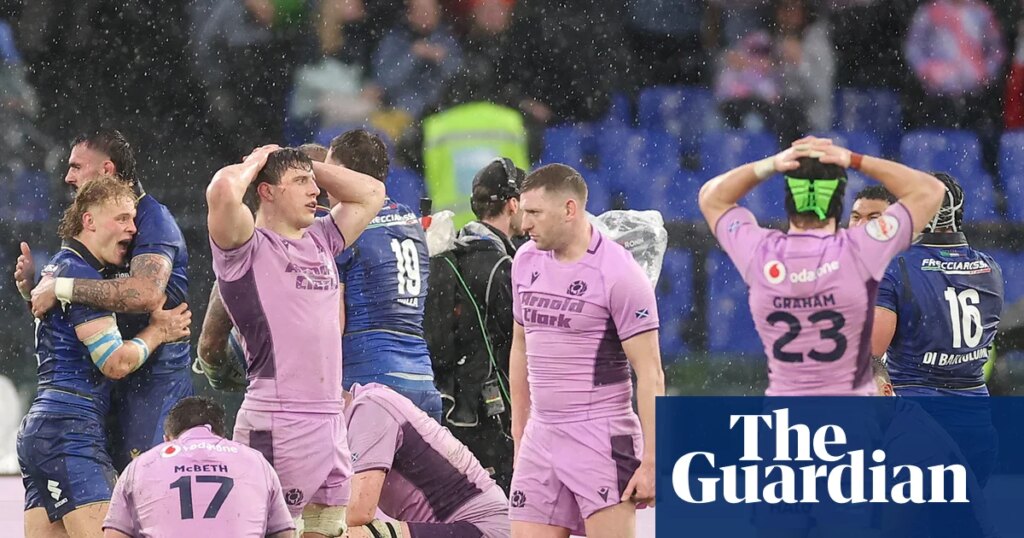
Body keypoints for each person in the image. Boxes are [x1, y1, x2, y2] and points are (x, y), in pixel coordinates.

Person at [205, 144, 385, 537]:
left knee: (329, 529)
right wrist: (259, 161)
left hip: (330, 419)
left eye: (313, 181)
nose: (315, 190)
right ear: (267, 191)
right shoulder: (245, 248)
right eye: (300, 181)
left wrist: (306, 165)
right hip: (278, 420)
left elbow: (372, 192)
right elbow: (222, 190)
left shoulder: (322, 238)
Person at [697, 136, 945, 396]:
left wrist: (774, 163)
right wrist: (853, 159)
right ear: (839, 206)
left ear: (788, 203)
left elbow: (710, 197)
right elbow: (930, 191)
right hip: (850, 413)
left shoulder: (760, 252)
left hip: (788, 415)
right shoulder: (860, 249)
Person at [18, 177, 190, 538]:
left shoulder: (59, 268)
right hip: (70, 431)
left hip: (42, 430)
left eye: (133, 220)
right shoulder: (80, 276)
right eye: (122, 218)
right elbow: (116, 362)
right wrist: (158, 331)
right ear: (89, 221)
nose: (133, 228)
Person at [15, 128, 194, 471]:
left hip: (153, 382)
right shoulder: (91, 233)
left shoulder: (153, 221)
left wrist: (60, 287)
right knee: (115, 491)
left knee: (146, 484)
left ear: (107, 170)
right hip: (109, 377)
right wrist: (33, 292)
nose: (68, 177)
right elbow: (68, 313)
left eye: (76, 166)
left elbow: (146, 293)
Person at [508, 164, 664, 538]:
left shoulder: (619, 273)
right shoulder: (525, 260)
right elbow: (520, 344)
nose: (524, 224)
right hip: (541, 436)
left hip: (600, 436)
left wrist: (652, 461)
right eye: (523, 212)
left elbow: (651, 373)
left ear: (569, 209)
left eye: (534, 213)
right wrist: (520, 431)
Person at [871, 172, 1003, 485]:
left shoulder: (896, 267)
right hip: (976, 422)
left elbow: (870, 352)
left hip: (919, 422)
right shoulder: (990, 268)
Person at [425, 157, 524, 492]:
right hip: (492, 415)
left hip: (451, 405)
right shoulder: (501, 265)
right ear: (513, 205)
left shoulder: (454, 251)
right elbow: (515, 344)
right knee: (502, 508)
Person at [327, 129, 441, 420]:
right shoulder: (411, 220)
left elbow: (332, 324)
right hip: (422, 380)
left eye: (329, 173)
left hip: (369, 381)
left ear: (345, 176)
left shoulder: (344, 230)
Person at [101, 396, 295, 538]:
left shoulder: (140, 465)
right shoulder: (256, 461)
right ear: (222, 437)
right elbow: (283, 533)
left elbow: (114, 535)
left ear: (167, 440)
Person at [343, 383, 510, 538]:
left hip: (483, 527)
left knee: (355, 534)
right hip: (463, 525)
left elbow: (358, 513)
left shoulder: (370, 408)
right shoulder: (362, 408)